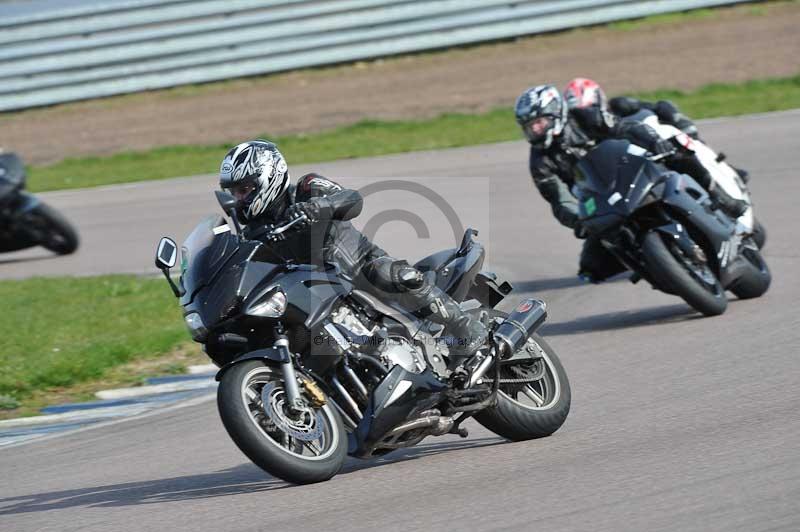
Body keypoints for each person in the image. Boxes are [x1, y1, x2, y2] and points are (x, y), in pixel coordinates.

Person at [217, 140, 487, 360]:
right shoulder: (251, 231)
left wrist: (320, 207)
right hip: (316, 291)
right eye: (235, 193)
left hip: (359, 267)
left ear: (269, 176)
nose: (240, 199)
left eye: (245, 189)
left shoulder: (306, 188)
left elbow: (351, 199)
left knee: (389, 274)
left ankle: (462, 324)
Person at [515, 84, 678, 282]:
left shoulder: (585, 117)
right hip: (598, 199)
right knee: (591, 268)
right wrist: (579, 220)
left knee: (681, 162)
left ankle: (719, 198)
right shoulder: (539, 162)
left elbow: (625, 128)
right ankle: (650, 264)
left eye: (538, 123)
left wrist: (653, 140)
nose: (534, 130)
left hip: (631, 172)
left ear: (555, 113)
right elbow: (560, 201)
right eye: (529, 127)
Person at [564, 77, 750, 190]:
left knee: (681, 134)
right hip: (631, 165)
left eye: (589, 108)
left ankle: (725, 169)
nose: (587, 116)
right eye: (580, 112)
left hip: (654, 141)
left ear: (599, 99)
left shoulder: (618, 105)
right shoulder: (582, 136)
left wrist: (674, 125)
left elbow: (658, 107)